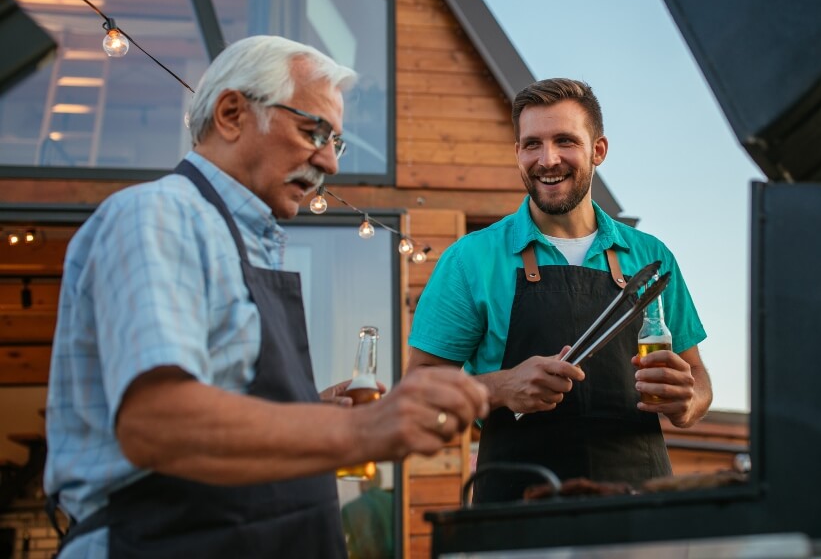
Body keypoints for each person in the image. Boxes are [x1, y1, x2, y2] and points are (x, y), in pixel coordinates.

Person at [43, 35, 489, 558]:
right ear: (232, 113)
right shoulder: (160, 217)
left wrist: (315, 409)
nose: (330, 162)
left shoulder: (238, 239)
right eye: (312, 131)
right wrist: (361, 430)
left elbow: (215, 402)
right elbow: (157, 424)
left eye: (336, 141)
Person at [408, 78, 712, 503]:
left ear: (598, 151)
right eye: (532, 144)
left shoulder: (650, 256)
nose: (547, 159)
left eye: (565, 141)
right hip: (516, 507)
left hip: (638, 505)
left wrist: (687, 400)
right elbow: (419, 391)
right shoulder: (469, 261)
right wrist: (500, 387)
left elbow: (698, 380)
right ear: (518, 153)